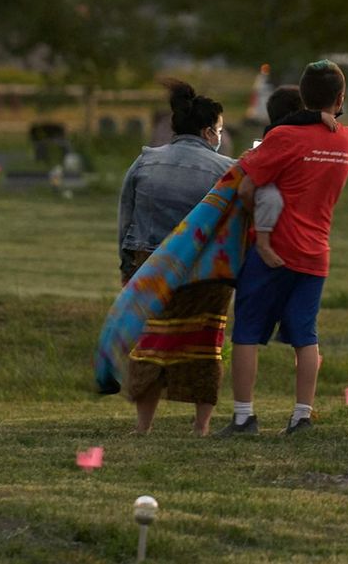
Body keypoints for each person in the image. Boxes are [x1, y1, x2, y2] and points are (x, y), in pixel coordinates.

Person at [218, 60, 348, 437]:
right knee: (305, 336)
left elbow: (247, 186)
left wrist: (254, 219)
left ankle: (244, 417)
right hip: (316, 252)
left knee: (246, 332)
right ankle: (301, 416)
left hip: (272, 250)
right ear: (340, 98)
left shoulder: (285, 138)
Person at [117, 80, 234, 436]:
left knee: (151, 342)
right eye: (219, 129)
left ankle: (143, 425)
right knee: (204, 345)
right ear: (207, 131)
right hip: (203, 273)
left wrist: (127, 268)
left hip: (149, 265)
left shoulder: (145, 160)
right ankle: (201, 426)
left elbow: (127, 216)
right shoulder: (225, 169)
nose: (220, 135)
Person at [253, 85, 339, 268]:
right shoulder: (278, 130)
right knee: (271, 198)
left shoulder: (286, 132)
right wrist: (317, 116)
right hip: (267, 188)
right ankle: (263, 242)